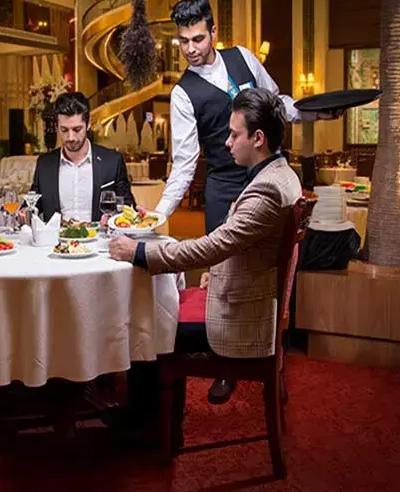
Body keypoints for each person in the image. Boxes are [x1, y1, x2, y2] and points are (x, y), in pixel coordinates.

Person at [107, 89, 300, 438]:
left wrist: (139, 253)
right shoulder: (279, 174)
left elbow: (210, 247)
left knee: (149, 320)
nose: (227, 143)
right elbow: (237, 245)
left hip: (241, 318)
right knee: (158, 308)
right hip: (249, 297)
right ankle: (155, 422)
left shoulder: (268, 190)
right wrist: (216, 271)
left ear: (258, 138)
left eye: (234, 134)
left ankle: (148, 430)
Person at [153, 0, 313, 404]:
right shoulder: (183, 94)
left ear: (214, 31)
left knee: (270, 274)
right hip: (224, 188)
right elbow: (184, 164)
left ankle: (274, 360)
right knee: (225, 280)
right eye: (183, 41)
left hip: (265, 173)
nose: (191, 48)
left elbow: (277, 104)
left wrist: (311, 112)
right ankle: (225, 366)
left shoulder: (243, 57)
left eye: (198, 38)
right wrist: (157, 215)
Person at [18, 91, 136, 225]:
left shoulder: (112, 161)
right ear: (57, 127)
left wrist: (114, 218)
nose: (71, 137)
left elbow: (127, 206)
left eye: (77, 129)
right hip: (57, 238)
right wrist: (24, 213)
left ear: (88, 123)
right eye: (64, 130)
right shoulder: (45, 163)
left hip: (100, 237)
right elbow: (32, 203)